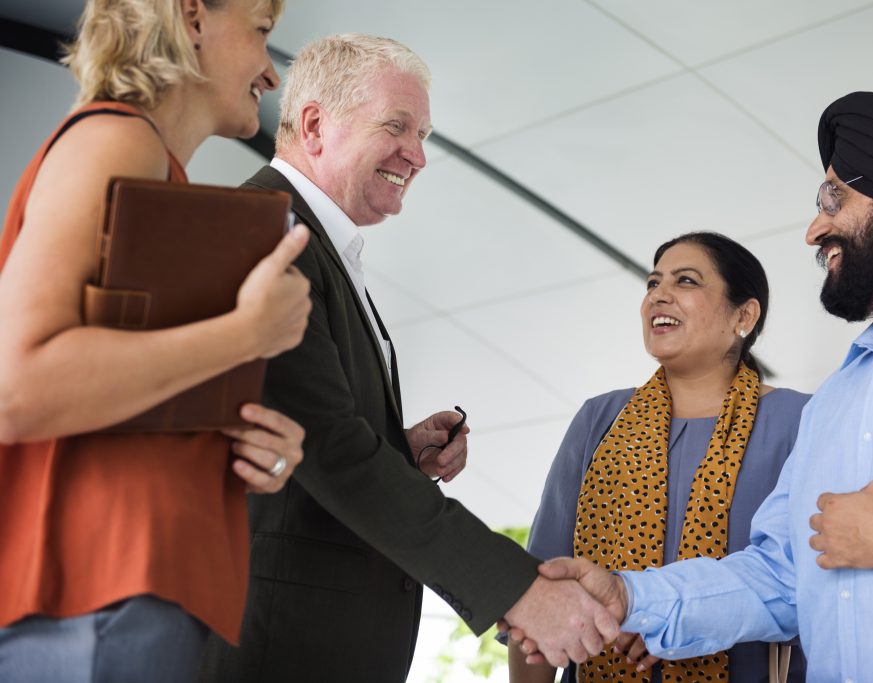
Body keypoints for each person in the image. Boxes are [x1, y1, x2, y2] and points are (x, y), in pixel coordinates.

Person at [516, 91, 873, 682]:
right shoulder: (839, 395)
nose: (814, 230)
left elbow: (869, 542)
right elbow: (780, 576)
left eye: (835, 200)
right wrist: (629, 598)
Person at [198, 33, 617, 682]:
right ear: (314, 124)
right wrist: (517, 588)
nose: (417, 155)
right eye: (396, 126)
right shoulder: (264, 229)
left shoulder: (312, 241)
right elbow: (332, 450)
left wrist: (396, 446)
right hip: (280, 648)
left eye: (422, 134)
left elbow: (318, 431)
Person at [0, 1, 314, 681]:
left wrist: (240, 444)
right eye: (261, 32)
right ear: (192, 16)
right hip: (96, 595)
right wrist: (244, 333)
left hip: (123, 594)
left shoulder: (157, 176)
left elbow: (110, 395)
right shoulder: (118, 138)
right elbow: (17, 385)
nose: (269, 71)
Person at [509, 232, 809, 683]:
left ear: (743, 315)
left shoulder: (798, 420)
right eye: (652, 284)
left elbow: (814, 586)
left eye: (685, 281)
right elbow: (541, 585)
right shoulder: (601, 419)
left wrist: (671, 617)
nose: (659, 297)